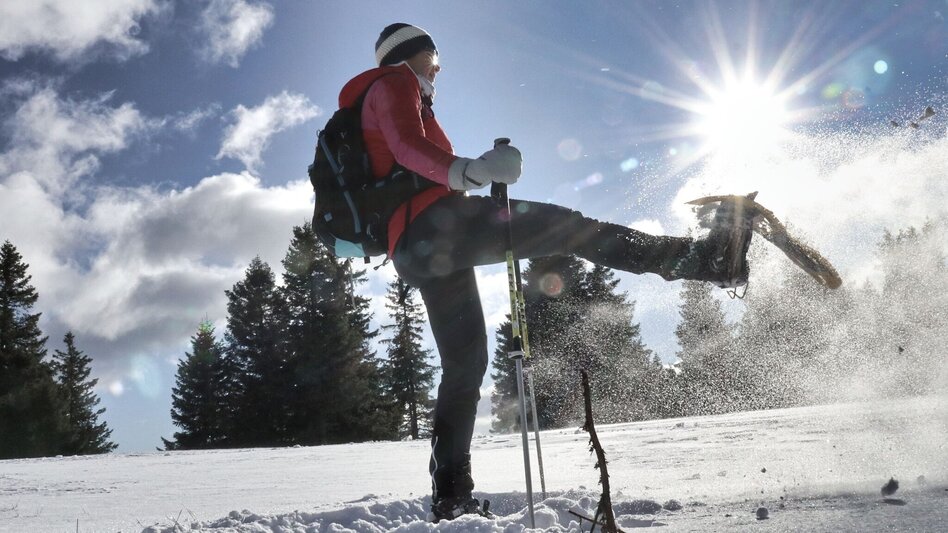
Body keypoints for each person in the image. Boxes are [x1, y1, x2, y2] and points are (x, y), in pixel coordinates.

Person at [338, 23, 750, 521]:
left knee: (465, 365)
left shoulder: (385, 99)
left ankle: (451, 496)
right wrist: (473, 171)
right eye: (432, 60)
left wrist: (469, 175)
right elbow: (408, 147)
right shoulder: (395, 81)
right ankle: (705, 260)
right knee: (569, 228)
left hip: (416, 247)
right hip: (436, 228)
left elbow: (406, 161)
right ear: (409, 55)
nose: (437, 69)